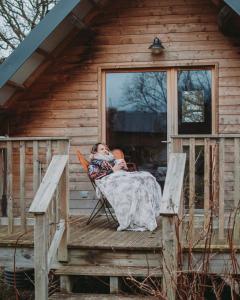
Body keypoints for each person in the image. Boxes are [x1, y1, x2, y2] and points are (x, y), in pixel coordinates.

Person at [88, 143, 162, 232]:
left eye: (106, 149)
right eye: (102, 149)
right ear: (95, 152)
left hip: (120, 177)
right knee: (136, 183)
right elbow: (93, 176)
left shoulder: (111, 159)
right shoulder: (94, 162)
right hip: (108, 182)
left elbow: (120, 171)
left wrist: (125, 167)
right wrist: (113, 170)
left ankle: (144, 217)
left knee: (147, 177)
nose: (105, 150)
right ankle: (135, 218)